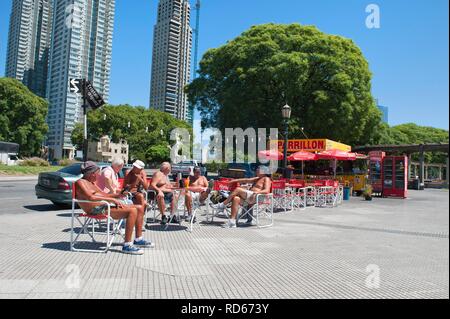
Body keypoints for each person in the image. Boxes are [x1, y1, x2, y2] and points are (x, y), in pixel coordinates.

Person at [75, 161, 154, 255]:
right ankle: (127, 245)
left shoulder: (91, 183)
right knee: (132, 210)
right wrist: (112, 200)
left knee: (140, 207)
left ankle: (138, 239)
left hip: (102, 206)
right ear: (92, 174)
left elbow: (104, 195)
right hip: (95, 210)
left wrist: (118, 195)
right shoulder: (80, 182)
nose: (98, 175)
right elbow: (90, 197)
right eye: (97, 173)